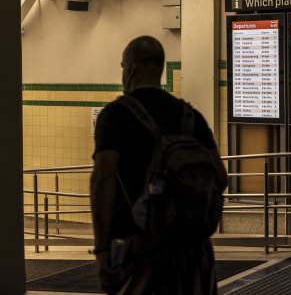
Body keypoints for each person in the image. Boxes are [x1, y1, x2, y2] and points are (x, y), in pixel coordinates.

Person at [90, 35, 227, 294]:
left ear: (129, 68)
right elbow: (221, 178)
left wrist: (102, 248)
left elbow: (103, 178)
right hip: (193, 254)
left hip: (139, 250)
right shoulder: (190, 117)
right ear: (160, 68)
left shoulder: (115, 116)